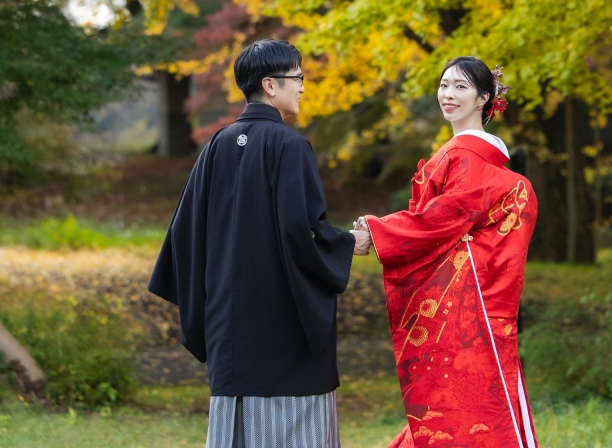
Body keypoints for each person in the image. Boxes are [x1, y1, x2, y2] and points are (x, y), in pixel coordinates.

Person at [148, 38, 371, 448]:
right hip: (281, 324)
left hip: (226, 325)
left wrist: (207, 301)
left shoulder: (216, 145)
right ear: (270, 85)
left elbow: (184, 233)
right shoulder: (290, 146)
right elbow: (301, 232)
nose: (303, 87)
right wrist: (348, 243)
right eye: (298, 78)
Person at [355, 56, 538, 448]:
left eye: (460, 87)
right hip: (469, 299)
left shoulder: (469, 157)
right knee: (457, 403)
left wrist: (377, 230)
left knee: (459, 405)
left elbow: (443, 218)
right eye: (443, 85)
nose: (448, 94)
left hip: (467, 299)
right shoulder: (463, 154)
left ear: (483, 99)